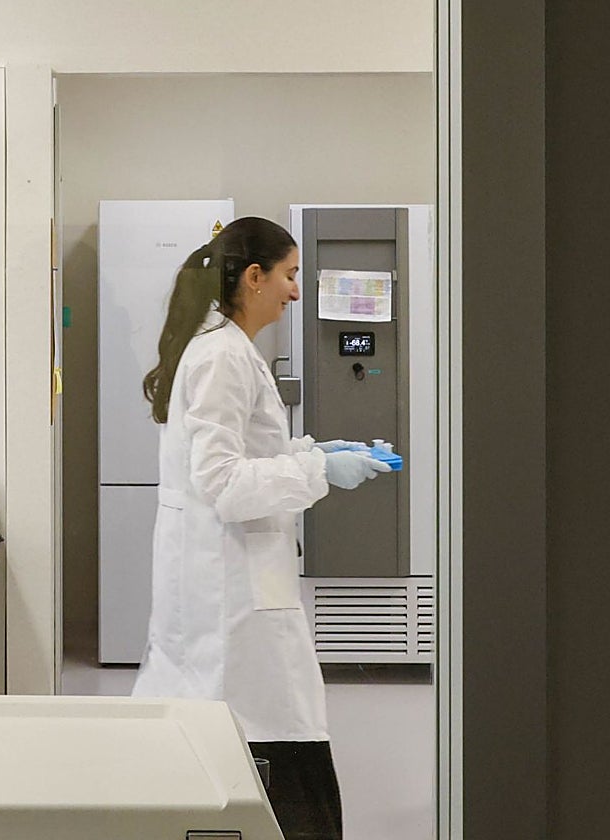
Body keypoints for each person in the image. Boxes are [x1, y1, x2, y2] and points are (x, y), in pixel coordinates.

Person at [130, 216, 390, 840]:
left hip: (223, 589)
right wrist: (319, 470)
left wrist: (310, 451)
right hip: (234, 602)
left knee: (244, 737)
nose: (296, 291)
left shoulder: (221, 348)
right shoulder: (221, 355)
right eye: (290, 275)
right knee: (267, 747)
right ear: (253, 278)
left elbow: (238, 456)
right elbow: (222, 484)